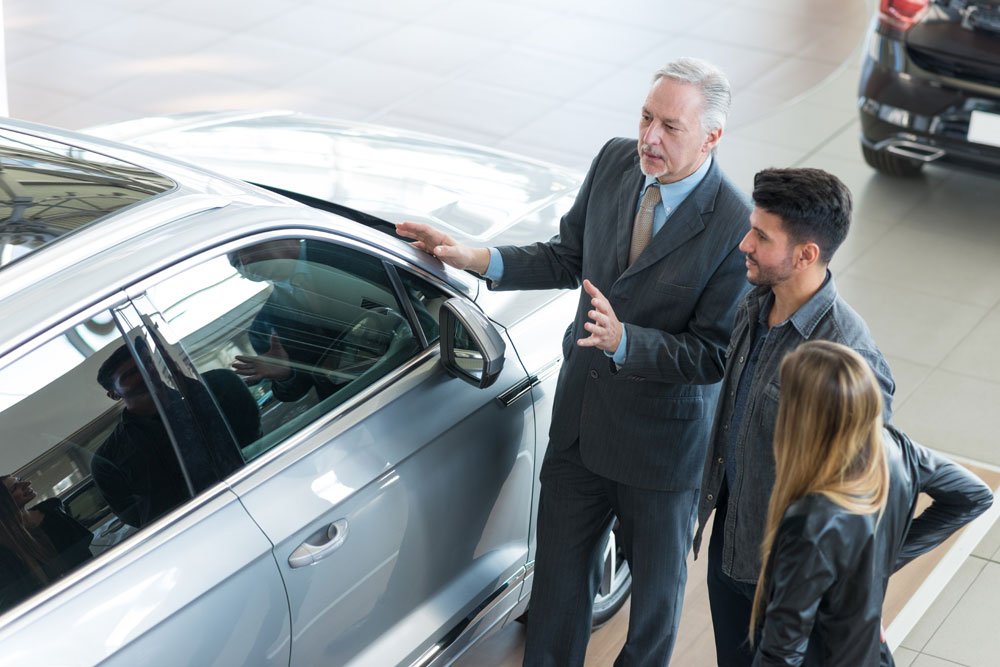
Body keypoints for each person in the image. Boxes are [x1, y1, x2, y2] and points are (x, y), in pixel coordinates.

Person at [398, 57, 752, 666]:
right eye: (646, 118)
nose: (649, 138)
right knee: (557, 600)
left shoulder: (733, 224)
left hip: (660, 458)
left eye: (670, 127)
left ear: (712, 137)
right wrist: (473, 256)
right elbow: (567, 255)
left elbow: (714, 354)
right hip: (581, 433)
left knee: (651, 624)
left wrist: (627, 343)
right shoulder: (617, 161)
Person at [693, 167, 896, 665]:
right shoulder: (754, 306)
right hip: (733, 549)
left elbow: (867, 491)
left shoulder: (848, 356)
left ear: (805, 254)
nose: (744, 243)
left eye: (762, 236)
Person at [750, 341, 993, 666]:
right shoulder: (898, 451)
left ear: (803, 419)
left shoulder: (810, 522)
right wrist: (875, 568)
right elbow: (973, 495)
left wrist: (877, 565)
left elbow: (782, 653)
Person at [92, 344, 191, 528]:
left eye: (146, 363)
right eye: (130, 374)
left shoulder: (197, 400)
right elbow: (133, 515)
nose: (144, 373)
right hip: (178, 530)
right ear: (114, 394)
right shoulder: (108, 457)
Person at [0, 475, 93, 611]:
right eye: (15, 487)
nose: (27, 483)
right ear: (4, 502)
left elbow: (84, 558)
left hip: (86, 591)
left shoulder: (52, 514)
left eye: (20, 480)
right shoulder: (5, 549)